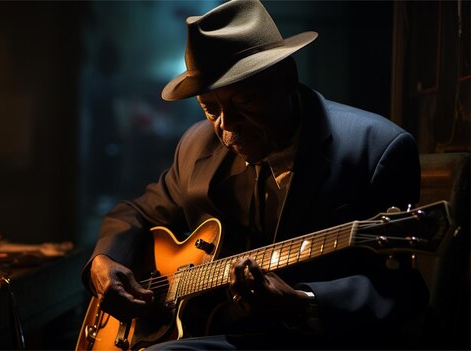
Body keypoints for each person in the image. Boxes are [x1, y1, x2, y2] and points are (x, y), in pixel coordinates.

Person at [81, 0, 428, 349]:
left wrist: (304, 303)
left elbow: (403, 290)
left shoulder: (378, 148)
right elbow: (136, 212)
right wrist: (104, 261)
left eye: (244, 102)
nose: (226, 128)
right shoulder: (196, 146)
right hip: (212, 330)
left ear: (287, 78)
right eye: (210, 109)